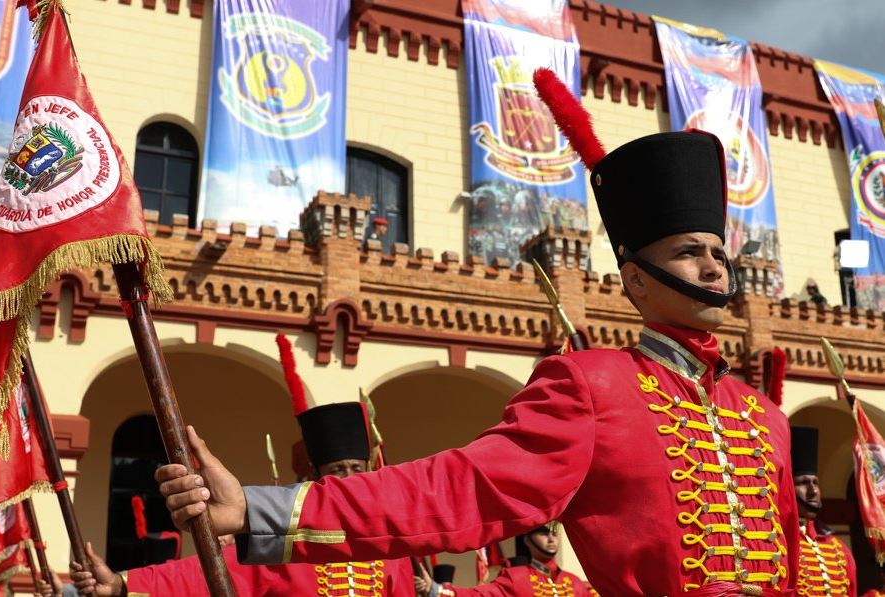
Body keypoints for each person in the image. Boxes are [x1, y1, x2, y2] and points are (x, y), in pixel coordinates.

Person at [155, 68, 801, 597]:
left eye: (719, 252)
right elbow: (458, 488)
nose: (713, 266)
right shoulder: (593, 385)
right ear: (635, 280)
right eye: (690, 252)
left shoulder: (764, 416)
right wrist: (258, 510)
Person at [70, 337, 416, 596]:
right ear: (316, 476)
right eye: (338, 469)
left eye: (357, 468)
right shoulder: (289, 542)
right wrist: (120, 585)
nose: (349, 479)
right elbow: (199, 574)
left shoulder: (394, 549)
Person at [427, 525, 597, 597]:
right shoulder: (516, 577)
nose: (551, 539)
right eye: (544, 534)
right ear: (527, 540)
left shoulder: (574, 582)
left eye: (554, 534)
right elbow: (479, 595)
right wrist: (436, 589)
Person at [791, 426, 857, 597]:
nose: (813, 490)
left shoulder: (839, 549)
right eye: (803, 483)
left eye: (815, 482)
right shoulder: (781, 545)